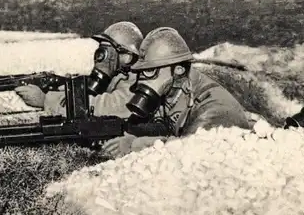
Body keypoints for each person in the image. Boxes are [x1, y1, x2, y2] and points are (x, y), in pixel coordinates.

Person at [101, 27, 253, 158]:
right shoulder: (172, 90)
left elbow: (193, 150)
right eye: (141, 72)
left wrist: (135, 144)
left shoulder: (215, 106)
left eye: (150, 71)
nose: (141, 80)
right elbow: (163, 125)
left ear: (178, 69)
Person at [15, 21, 144, 118]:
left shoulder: (137, 83)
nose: (101, 56)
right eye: (102, 49)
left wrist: (46, 100)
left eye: (108, 51)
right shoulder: (118, 77)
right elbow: (91, 92)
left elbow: (105, 106)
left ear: (127, 57)